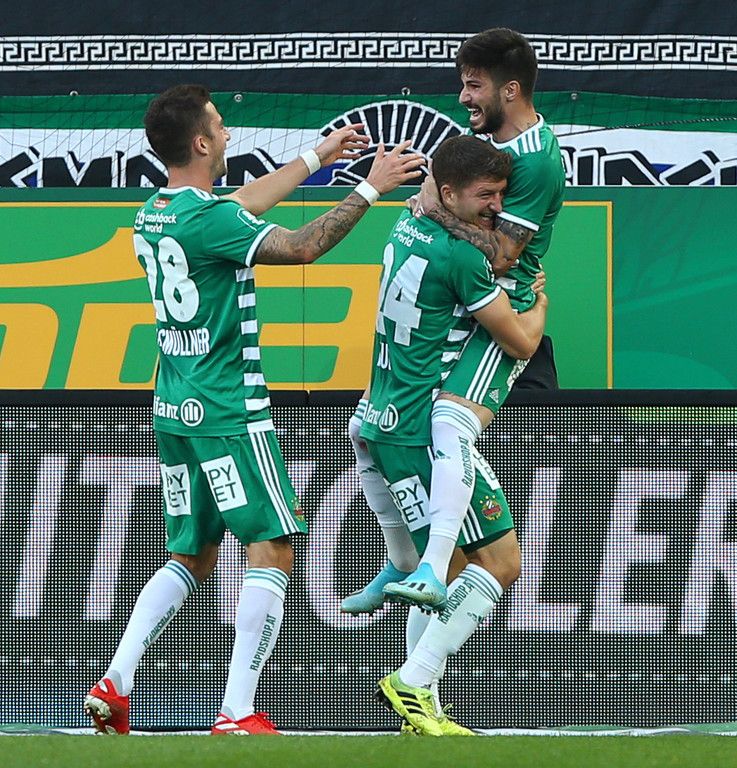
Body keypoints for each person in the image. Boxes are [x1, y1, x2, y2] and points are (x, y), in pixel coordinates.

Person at [83, 83, 423, 736]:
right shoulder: (210, 221)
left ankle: (115, 682)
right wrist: (371, 187)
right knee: (271, 548)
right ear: (201, 141)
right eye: (220, 124)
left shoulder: (156, 212)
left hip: (175, 407)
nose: (229, 133)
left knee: (192, 555)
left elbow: (239, 207)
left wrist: (317, 157)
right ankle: (237, 711)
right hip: (230, 411)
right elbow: (300, 247)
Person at [343, 27, 565, 615]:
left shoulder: (537, 161)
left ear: (510, 89)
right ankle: (403, 559)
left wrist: (436, 210)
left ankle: (435, 566)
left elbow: (503, 255)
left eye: (473, 85)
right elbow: (440, 205)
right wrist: (433, 204)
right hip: (459, 300)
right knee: (364, 424)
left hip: (500, 304)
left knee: (449, 424)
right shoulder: (481, 145)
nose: (463, 97)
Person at [358, 135, 548, 736]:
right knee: (500, 563)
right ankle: (414, 681)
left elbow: (434, 199)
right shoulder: (464, 258)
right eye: (486, 195)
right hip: (424, 428)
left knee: (447, 567)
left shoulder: (407, 225)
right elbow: (521, 342)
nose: (497, 207)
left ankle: (422, 710)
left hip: (385, 419)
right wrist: (541, 304)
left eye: (501, 194)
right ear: (448, 192)